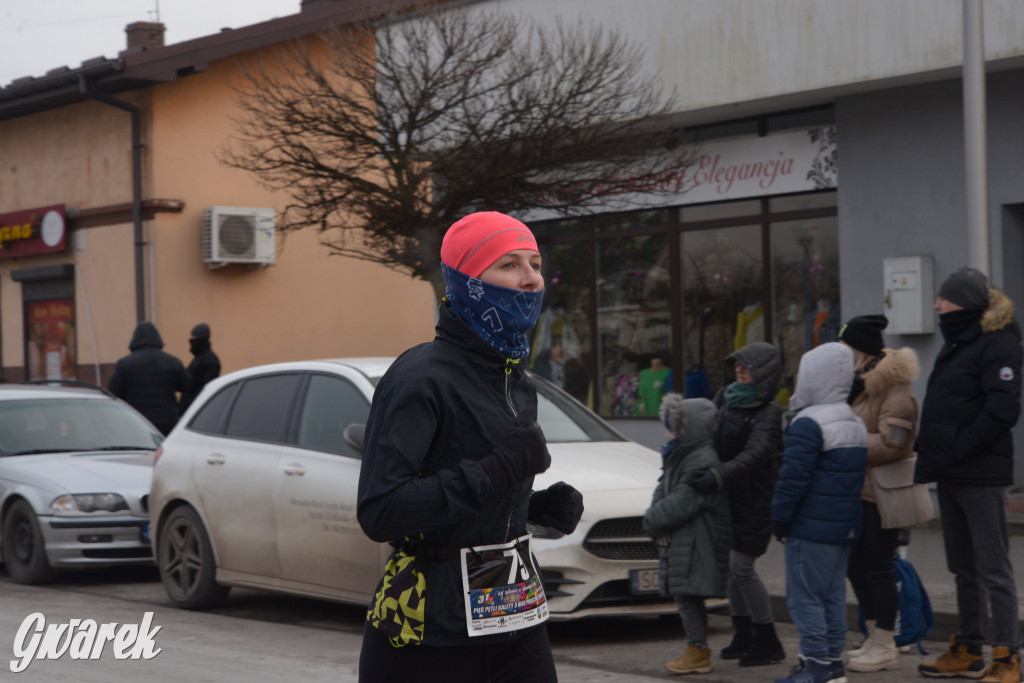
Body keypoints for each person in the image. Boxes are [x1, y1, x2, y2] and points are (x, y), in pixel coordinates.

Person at [356, 211, 584, 683]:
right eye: (508, 265)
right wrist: (496, 471)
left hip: (512, 610)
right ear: (465, 282)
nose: (529, 279)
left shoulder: (516, 382)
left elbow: (474, 500)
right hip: (428, 624)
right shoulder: (421, 376)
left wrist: (534, 507)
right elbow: (381, 510)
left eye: (535, 264)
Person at [914, 266, 1022, 683]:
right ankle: (970, 648)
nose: (937, 306)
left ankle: (1008, 655)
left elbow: (1003, 410)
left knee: (994, 567)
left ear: (965, 304)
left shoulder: (998, 344)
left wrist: (959, 449)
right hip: (953, 473)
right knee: (963, 567)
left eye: (944, 299)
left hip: (981, 475)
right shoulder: (960, 342)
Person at [772, 342, 867, 683]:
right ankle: (831, 663)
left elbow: (792, 478)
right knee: (832, 596)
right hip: (843, 527)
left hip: (809, 526)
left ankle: (814, 666)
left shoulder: (809, 423)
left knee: (804, 598)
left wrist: (780, 518)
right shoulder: (853, 422)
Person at [688, 342, 786, 667]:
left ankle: (768, 638)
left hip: (755, 501)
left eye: (746, 366)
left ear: (764, 374)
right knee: (731, 571)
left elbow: (755, 455)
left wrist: (717, 475)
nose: (739, 370)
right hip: (727, 499)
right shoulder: (726, 400)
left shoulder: (770, 413)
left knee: (742, 569)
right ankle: (743, 632)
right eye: (736, 365)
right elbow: (706, 437)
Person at [836, 314, 919, 673]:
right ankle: (873, 636)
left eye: (844, 345)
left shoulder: (895, 388)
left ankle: (885, 642)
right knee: (855, 566)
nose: (839, 352)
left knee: (879, 568)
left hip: (884, 494)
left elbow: (895, 444)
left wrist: (845, 440)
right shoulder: (857, 384)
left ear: (860, 351)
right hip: (859, 491)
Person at [642, 393, 731, 675]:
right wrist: (654, 514)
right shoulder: (679, 455)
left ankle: (698, 650)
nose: (668, 432)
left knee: (688, 596)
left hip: (697, 540)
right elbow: (663, 490)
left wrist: (651, 521)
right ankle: (697, 648)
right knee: (686, 595)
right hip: (687, 540)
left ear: (687, 429)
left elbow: (681, 501)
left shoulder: (701, 459)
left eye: (673, 426)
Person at [108, 321, 190, 436]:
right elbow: (186, 386)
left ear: (135, 339)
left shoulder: (125, 364)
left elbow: (113, 392)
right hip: (167, 421)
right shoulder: (173, 362)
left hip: (137, 421)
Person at [178, 322, 221, 414]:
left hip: (197, 411)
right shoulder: (199, 359)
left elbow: (206, 389)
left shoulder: (209, 360)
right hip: (191, 411)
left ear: (202, 340)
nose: (191, 343)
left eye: (194, 340)